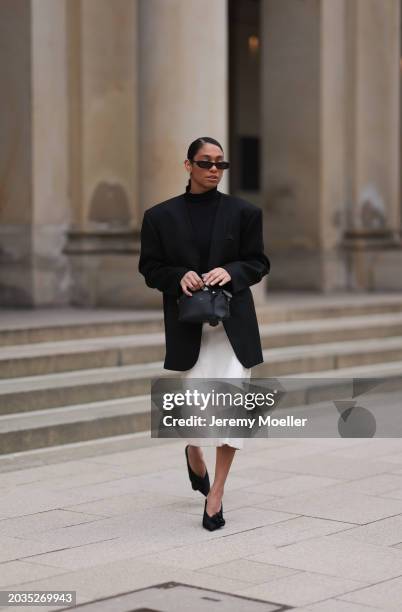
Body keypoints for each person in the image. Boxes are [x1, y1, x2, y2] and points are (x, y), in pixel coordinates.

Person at [138, 136, 270, 530]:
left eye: (220, 164)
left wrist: (232, 271)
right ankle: (193, 448)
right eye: (205, 162)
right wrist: (179, 276)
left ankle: (217, 495)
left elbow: (259, 262)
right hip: (190, 328)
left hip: (234, 328)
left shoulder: (244, 213)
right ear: (188, 165)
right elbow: (150, 269)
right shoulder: (159, 217)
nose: (214, 170)